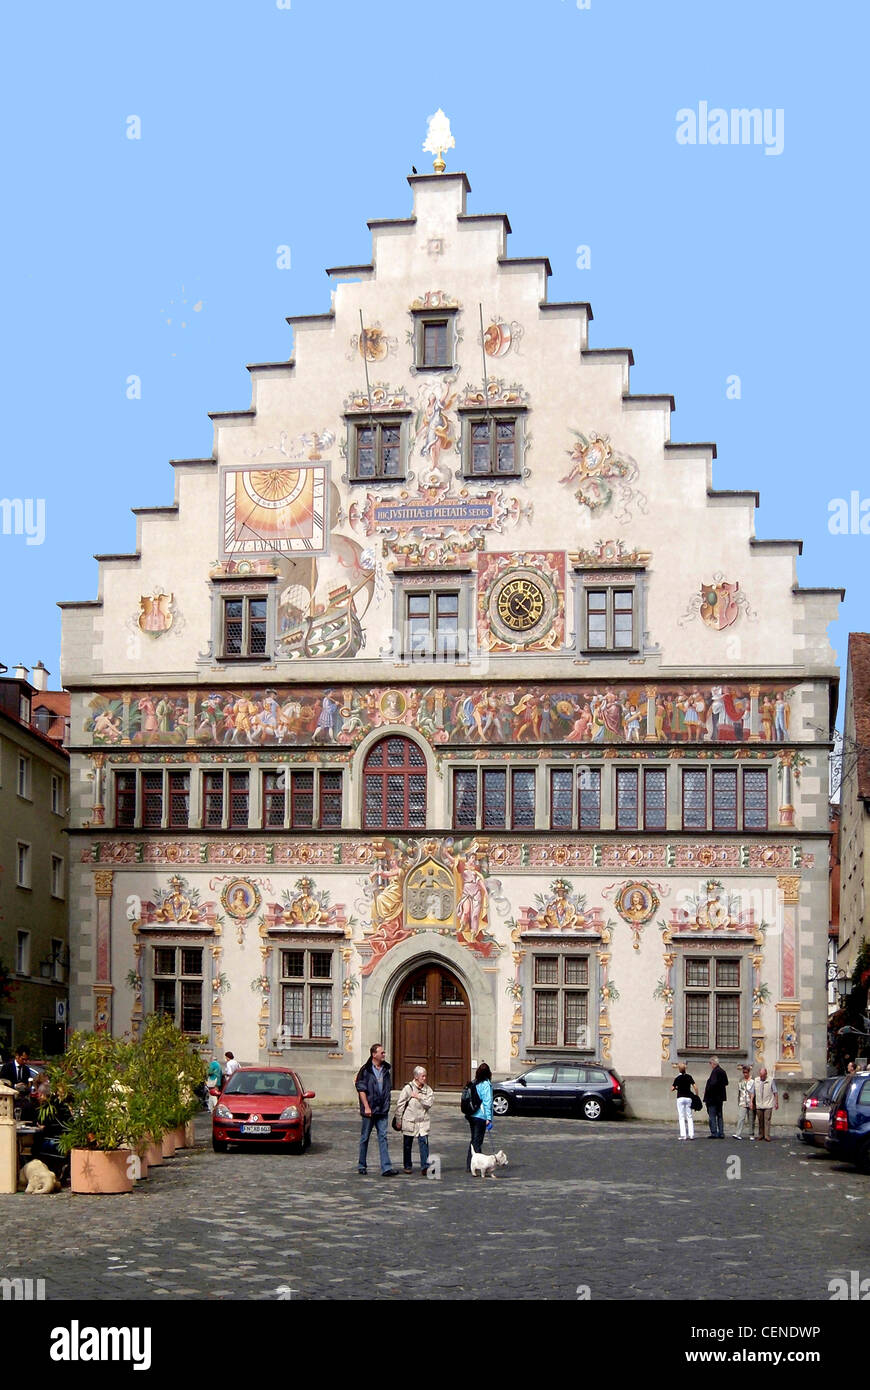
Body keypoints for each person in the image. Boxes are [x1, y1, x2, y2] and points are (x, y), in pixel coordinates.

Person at [355, 1043, 396, 1176]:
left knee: (383, 1137)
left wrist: (387, 1103)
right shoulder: (365, 1070)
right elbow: (361, 1089)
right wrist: (366, 1106)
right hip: (370, 1110)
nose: (384, 1054)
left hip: (382, 1110)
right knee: (365, 1137)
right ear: (374, 1054)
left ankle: (386, 1167)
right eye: (382, 1052)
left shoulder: (385, 1069)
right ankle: (362, 1164)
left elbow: (386, 1088)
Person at [396, 1066, 434, 1175]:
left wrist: (419, 1097)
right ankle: (407, 1166)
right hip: (409, 1120)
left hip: (423, 1121)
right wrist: (399, 1120)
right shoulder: (408, 1088)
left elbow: (429, 1104)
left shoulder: (428, 1089)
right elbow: (400, 1104)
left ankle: (425, 1166)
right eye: (423, 1076)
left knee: (424, 1143)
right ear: (416, 1077)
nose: (425, 1078)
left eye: (425, 1076)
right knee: (407, 1144)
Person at [466, 1062, 493, 1173]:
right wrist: (489, 1118)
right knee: (477, 1141)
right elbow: (488, 1102)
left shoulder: (474, 1083)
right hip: (480, 1116)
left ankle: (469, 1164)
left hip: (472, 1114)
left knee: (473, 1139)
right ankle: (477, 1164)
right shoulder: (486, 1084)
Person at [703, 1055, 728, 1138]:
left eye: (710, 1063)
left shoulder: (715, 1072)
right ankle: (721, 1133)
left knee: (712, 1116)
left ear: (713, 1063)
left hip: (712, 1098)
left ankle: (714, 1133)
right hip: (720, 1098)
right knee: (720, 1115)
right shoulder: (723, 1071)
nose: (710, 1065)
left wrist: (707, 1091)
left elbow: (712, 1084)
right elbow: (726, 1082)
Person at [671, 1061, 698, 1140]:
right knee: (689, 1116)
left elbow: (672, 1088)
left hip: (680, 1098)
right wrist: (696, 1095)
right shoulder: (689, 1077)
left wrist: (676, 1088)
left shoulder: (678, 1078)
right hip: (688, 1097)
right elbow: (695, 1087)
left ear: (679, 1070)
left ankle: (683, 1135)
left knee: (681, 1116)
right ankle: (691, 1134)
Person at [753, 1067, 779, 1141]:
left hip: (768, 1103)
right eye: (761, 1075)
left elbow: (775, 1092)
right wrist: (752, 1101)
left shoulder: (771, 1080)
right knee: (760, 1121)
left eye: (763, 1075)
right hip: (759, 1104)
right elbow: (753, 1092)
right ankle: (761, 1134)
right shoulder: (756, 1080)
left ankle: (767, 1135)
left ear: (766, 1074)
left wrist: (776, 1102)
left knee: (767, 1120)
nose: (762, 1077)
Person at [733, 1065, 755, 1140]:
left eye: (746, 1072)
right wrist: (739, 1100)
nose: (745, 1074)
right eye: (744, 1072)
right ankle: (738, 1133)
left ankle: (751, 1134)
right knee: (741, 1117)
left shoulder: (753, 1080)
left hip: (750, 1101)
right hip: (743, 1101)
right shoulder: (741, 1080)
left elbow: (753, 1092)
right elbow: (740, 1091)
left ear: (749, 1072)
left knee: (751, 1118)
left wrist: (753, 1101)